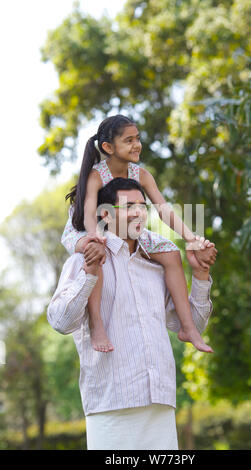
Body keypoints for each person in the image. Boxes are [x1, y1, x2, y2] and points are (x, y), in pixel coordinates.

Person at [47, 177, 216, 450]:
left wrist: (200, 274)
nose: (139, 212)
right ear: (106, 214)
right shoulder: (83, 258)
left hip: (160, 404)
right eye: (129, 206)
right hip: (112, 406)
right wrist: (89, 275)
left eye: (143, 205)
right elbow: (61, 322)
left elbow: (192, 325)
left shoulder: (157, 265)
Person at [62, 114, 217, 354]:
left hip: (127, 228)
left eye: (138, 139)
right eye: (129, 140)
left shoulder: (141, 174)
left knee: (171, 253)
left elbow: (164, 210)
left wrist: (191, 237)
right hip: (86, 228)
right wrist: (96, 238)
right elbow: (90, 211)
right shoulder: (96, 175)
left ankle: (188, 328)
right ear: (108, 147)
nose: (137, 145)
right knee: (97, 255)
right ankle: (97, 323)